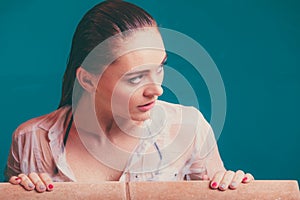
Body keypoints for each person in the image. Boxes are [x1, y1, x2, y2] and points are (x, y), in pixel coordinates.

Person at [5, 0, 253, 193]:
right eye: (135, 78)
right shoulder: (30, 141)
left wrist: (231, 187)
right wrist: (22, 193)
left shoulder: (190, 129)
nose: (157, 89)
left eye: (160, 68)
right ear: (88, 80)